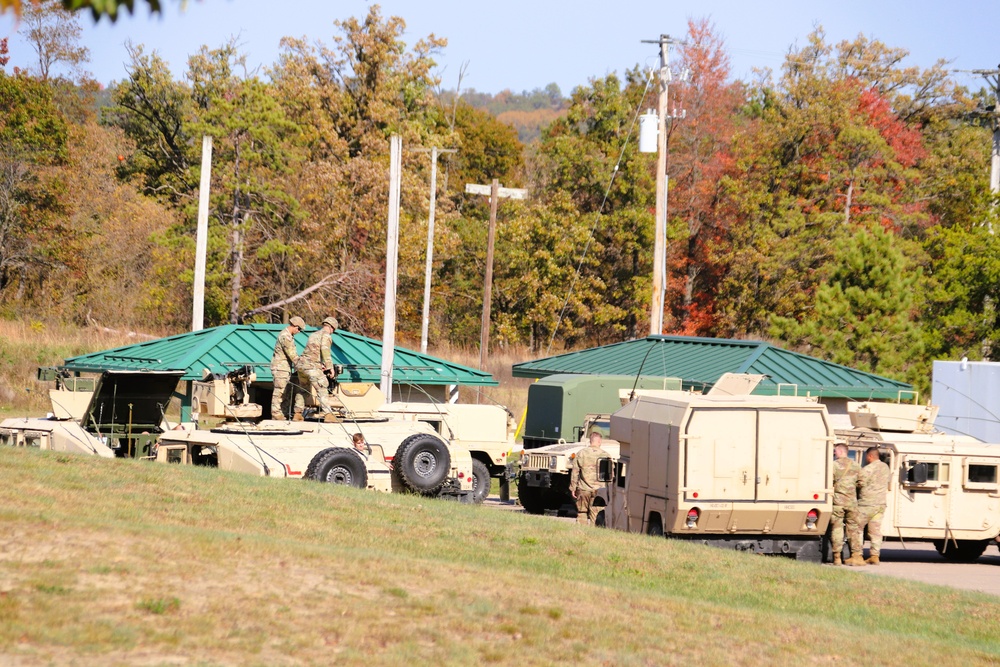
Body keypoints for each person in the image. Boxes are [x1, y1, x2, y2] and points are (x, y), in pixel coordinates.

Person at [846, 447, 891, 566]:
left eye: (866, 456)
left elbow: (859, 483)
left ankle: (857, 555)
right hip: (880, 505)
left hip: (866, 505)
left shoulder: (867, 469)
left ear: (870, 456)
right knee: (875, 531)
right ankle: (874, 556)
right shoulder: (885, 467)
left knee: (856, 528)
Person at [295, 316, 339, 418]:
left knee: (303, 389)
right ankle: (328, 415)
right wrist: (330, 367)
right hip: (311, 366)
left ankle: (297, 414)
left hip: (302, 366)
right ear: (332, 327)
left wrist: (320, 364)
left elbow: (311, 352)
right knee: (322, 388)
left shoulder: (313, 335)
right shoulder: (326, 335)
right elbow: (325, 351)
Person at [569, 431, 612, 526]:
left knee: (582, 512)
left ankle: (581, 533)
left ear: (590, 441)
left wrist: (573, 488)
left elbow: (575, 472)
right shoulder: (606, 455)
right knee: (596, 515)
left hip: (584, 489)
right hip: (600, 491)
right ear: (599, 441)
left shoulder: (581, 453)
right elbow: (610, 475)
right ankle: (594, 535)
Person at [830, 443, 861, 565]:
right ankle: (855, 555)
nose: (834, 453)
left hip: (838, 502)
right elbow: (861, 483)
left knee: (837, 529)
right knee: (853, 529)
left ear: (841, 451)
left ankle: (837, 557)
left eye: (835, 451)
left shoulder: (834, 465)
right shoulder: (856, 466)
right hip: (852, 503)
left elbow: (829, 481)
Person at [270, 316, 305, 420]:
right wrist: (302, 366)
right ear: (295, 326)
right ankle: (276, 413)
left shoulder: (288, 336)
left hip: (285, 368)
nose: (299, 332)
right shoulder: (286, 336)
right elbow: (293, 355)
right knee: (279, 391)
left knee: (286, 392)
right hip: (281, 368)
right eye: (299, 329)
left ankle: (282, 413)